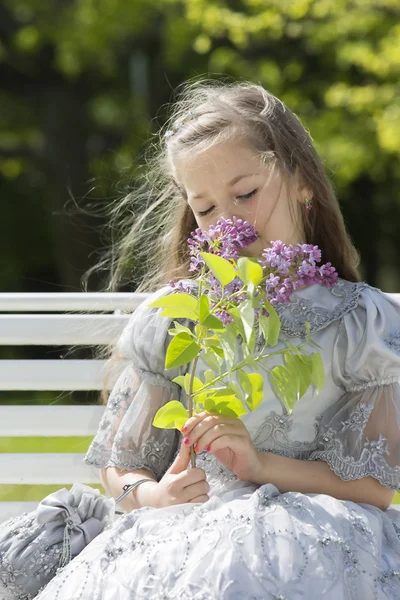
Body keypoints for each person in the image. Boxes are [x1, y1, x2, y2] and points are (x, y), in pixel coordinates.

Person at [35, 78, 400, 599]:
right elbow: (124, 462)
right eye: (205, 209)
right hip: (189, 527)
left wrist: (260, 466)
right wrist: (152, 494)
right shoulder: (181, 318)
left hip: (316, 533)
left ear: (303, 182)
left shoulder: (358, 321)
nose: (228, 221)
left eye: (245, 193)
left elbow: (373, 487)